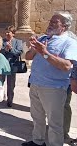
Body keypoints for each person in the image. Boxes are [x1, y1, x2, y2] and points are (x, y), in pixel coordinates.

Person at [22, 12, 77, 146]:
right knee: (37, 117)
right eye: (50, 20)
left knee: (54, 123)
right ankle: (38, 141)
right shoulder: (43, 38)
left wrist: (45, 53)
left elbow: (67, 66)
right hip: (35, 84)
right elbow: (28, 57)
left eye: (54, 22)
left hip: (54, 88)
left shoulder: (69, 43)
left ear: (64, 26)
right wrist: (33, 47)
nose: (50, 23)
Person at [0, 26, 23, 107]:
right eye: (6, 32)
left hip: (12, 66)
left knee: (11, 84)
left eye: (8, 32)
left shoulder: (18, 42)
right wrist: (5, 49)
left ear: (13, 33)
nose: (6, 34)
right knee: (0, 82)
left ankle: (10, 100)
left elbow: (19, 52)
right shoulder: (2, 41)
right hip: (2, 66)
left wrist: (11, 49)